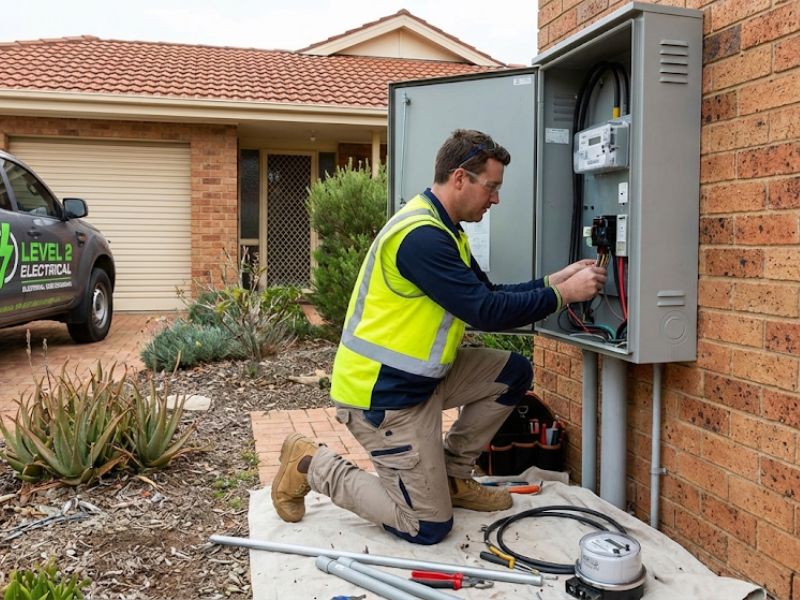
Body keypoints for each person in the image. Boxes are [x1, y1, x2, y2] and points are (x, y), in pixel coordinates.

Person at [271, 129, 607, 544]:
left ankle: (451, 477)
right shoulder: (421, 238)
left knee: (513, 372)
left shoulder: (447, 230)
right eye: (492, 187)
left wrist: (553, 281)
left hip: (424, 380)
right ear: (461, 178)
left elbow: (489, 295)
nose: (496, 199)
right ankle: (310, 462)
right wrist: (563, 296)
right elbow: (484, 312)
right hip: (384, 397)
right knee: (427, 526)